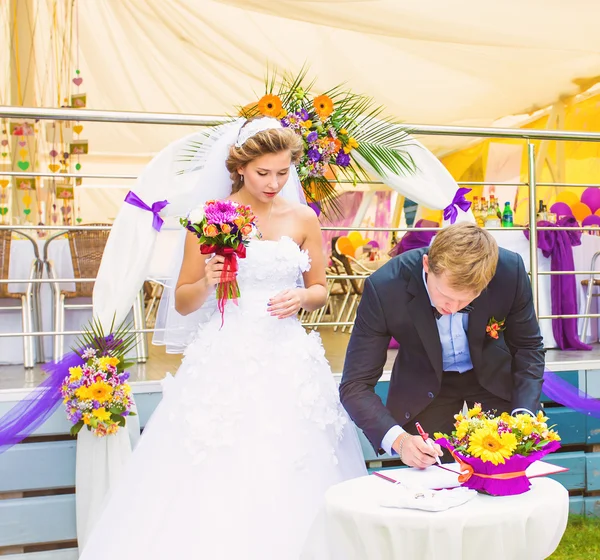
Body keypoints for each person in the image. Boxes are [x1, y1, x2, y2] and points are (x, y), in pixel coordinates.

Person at [79, 118, 366, 559]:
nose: (274, 183)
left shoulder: (305, 218)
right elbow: (183, 301)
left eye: (283, 172)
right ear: (239, 167)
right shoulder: (210, 219)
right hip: (226, 354)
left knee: (294, 460)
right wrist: (210, 281)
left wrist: (301, 297)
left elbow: (321, 290)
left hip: (288, 359)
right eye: (263, 173)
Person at [340, 222, 545, 469]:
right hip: (424, 384)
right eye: (446, 297)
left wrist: (523, 415)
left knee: (507, 477)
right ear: (427, 265)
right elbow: (355, 384)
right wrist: (400, 440)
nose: (454, 309)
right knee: (432, 480)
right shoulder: (385, 287)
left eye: (467, 300)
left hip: (494, 378)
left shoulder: (509, 271)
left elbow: (528, 347)